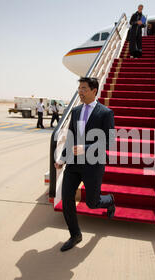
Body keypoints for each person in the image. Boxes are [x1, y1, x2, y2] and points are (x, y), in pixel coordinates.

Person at [54, 77, 115, 252]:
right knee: (67, 199)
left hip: (93, 165)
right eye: (79, 88)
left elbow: (109, 141)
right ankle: (75, 234)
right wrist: (62, 159)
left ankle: (110, 200)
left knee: (92, 203)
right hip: (73, 165)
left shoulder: (105, 113)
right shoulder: (75, 111)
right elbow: (71, 138)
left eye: (84, 89)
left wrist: (85, 148)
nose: (80, 92)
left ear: (94, 91)